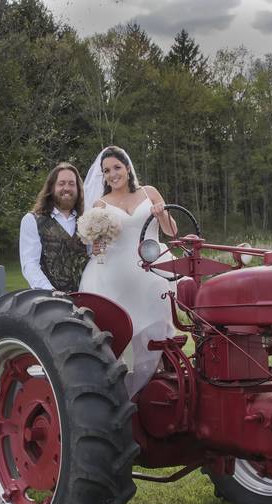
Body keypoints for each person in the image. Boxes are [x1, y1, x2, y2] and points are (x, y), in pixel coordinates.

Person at [79, 146, 177, 396]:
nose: (112, 174)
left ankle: (159, 383)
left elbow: (172, 232)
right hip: (115, 275)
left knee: (155, 332)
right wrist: (96, 240)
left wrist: (161, 212)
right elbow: (99, 251)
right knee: (118, 332)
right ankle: (119, 391)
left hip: (150, 269)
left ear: (127, 168)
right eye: (106, 171)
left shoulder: (150, 192)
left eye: (116, 168)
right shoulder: (100, 203)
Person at [19, 162, 88, 291]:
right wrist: (50, 291)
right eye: (61, 183)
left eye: (71, 184)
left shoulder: (86, 220)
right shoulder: (33, 220)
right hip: (48, 301)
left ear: (78, 189)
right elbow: (30, 264)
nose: (66, 188)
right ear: (52, 188)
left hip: (85, 299)